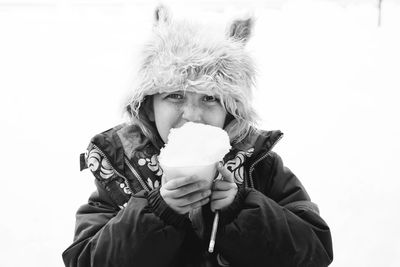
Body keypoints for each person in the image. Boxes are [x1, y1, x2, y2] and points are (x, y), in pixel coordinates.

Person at [62, 5, 333, 267]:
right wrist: (158, 213)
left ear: (231, 110)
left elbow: (314, 251)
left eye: (209, 98)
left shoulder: (260, 165)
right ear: (149, 107)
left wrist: (240, 210)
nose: (192, 114)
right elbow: (86, 259)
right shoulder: (123, 171)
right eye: (175, 95)